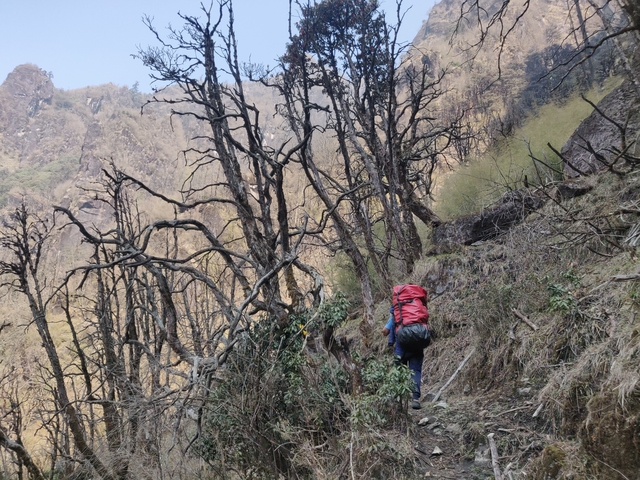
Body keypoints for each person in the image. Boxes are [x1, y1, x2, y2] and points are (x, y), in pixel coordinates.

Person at [383, 307, 424, 410]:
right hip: (417, 346)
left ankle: (399, 400)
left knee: (399, 371)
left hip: (401, 349)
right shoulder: (417, 310)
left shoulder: (396, 312)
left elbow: (385, 331)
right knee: (415, 371)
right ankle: (415, 399)